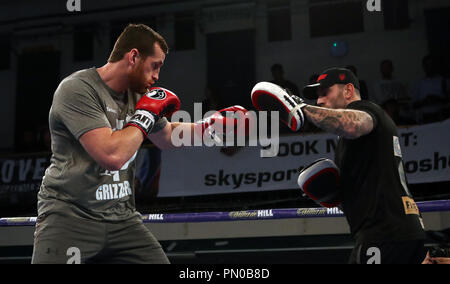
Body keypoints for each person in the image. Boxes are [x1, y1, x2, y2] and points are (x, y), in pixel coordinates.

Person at [31, 23, 250, 264]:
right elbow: (111, 155)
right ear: (134, 56)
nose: (157, 76)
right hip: (70, 218)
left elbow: (166, 137)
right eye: (154, 66)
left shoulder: (138, 97)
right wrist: (145, 115)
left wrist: (210, 127)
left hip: (123, 220)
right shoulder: (78, 89)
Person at [252, 67, 426, 264]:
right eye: (317, 97)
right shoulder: (349, 142)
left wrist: (301, 108)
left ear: (348, 91)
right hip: (398, 232)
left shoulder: (368, 110)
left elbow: (354, 124)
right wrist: (330, 193)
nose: (319, 101)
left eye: (325, 93)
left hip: (384, 234)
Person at [372, 60, 414, 125]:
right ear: (381, 70)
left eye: (388, 67)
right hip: (386, 118)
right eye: (384, 68)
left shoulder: (399, 83)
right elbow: (381, 101)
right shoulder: (377, 84)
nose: (386, 70)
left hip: (401, 115)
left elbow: (405, 98)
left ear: (392, 68)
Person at [413, 55, 450, 123]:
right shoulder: (419, 83)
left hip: (441, 117)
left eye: (431, 64)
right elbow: (414, 104)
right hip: (425, 117)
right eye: (426, 65)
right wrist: (425, 101)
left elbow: (448, 100)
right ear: (424, 67)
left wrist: (438, 99)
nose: (429, 67)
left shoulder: (444, 81)